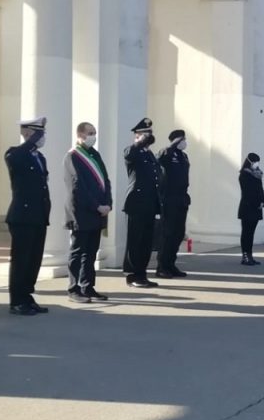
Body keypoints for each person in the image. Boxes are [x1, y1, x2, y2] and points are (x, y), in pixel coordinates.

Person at [5, 116, 51, 316]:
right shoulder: (15, 153)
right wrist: (30, 142)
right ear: (27, 134)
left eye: (42, 134)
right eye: (38, 134)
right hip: (22, 215)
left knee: (34, 259)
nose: (42, 138)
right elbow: (15, 159)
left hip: (38, 214)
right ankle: (16, 300)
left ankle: (27, 296)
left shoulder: (39, 157)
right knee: (21, 260)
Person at [64, 121, 113, 303]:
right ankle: (73, 289)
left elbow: (105, 181)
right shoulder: (73, 156)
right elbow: (78, 186)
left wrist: (108, 203)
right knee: (78, 251)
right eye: (90, 133)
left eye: (94, 132)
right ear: (80, 135)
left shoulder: (95, 155)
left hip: (98, 212)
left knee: (91, 252)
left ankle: (88, 286)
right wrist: (96, 206)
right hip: (81, 212)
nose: (93, 136)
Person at [122, 117, 161, 288]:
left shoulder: (149, 154)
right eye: (145, 134)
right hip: (136, 203)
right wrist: (138, 143)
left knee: (146, 242)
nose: (149, 136)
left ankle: (142, 274)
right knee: (135, 241)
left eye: (150, 133)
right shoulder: (133, 151)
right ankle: (132, 275)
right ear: (137, 135)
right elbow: (128, 154)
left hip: (150, 203)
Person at [156, 129, 191, 278]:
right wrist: (171, 146)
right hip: (169, 199)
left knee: (178, 233)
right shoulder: (166, 153)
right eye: (182, 140)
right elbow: (159, 160)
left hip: (182, 198)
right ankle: (162, 267)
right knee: (168, 233)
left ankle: (171, 264)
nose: (184, 142)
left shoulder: (183, 156)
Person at [238, 153, 264, 266]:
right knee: (246, 233)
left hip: (257, 208)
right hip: (248, 207)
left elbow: (260, 189)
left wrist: (262, 201)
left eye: (257, 162)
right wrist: (256, 202)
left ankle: (250, 255)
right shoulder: (244, 175)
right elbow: (248, 192)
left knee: (251, 233)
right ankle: (245, 256)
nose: (256, 164)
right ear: (249, 162)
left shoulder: (258, 174)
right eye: (254, 162)